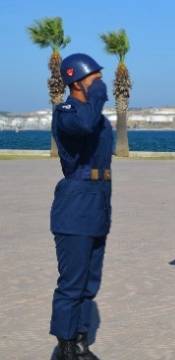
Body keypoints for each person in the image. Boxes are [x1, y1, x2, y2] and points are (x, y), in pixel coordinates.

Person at [50, 53, 111, 360]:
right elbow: (84, 127)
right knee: (72, 284)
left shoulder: (96, 115)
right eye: (95, 78)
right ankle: (64, 346)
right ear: (76, 81)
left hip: (98, 201)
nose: (101, 83)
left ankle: (80, 343)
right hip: (75, 203)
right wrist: (95, 98)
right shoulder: (68, 111)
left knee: (90, 282)